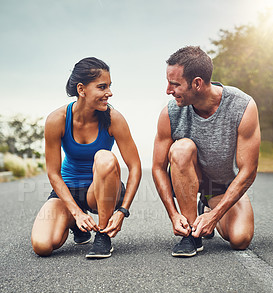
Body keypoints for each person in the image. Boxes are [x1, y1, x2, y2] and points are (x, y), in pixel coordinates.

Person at [152, 46, 260, 257]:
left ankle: (207, 208)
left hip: (221, 187)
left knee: (240, 239)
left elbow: (249, 170)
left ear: (197, 84)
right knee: (181, 148)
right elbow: (157, 167)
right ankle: (191, 234)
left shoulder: (242, 106)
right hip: (189, 179)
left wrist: (216, 215)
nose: (168, 90)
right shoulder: (171, 112)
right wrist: (174, 215)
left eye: (175, 84)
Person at [31, 57, 141, 258]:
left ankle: (102, 235)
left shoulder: (113, 118)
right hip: (69, 191)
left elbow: (135, 167)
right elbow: (53, 173)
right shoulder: (57, 120)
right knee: (42, 245)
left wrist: (122, 211)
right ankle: (77, 225)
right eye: (102, 87)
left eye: (109, 86)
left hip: (101, 191)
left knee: (105, 157)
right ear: (81, 90)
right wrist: (76, 213)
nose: (109, 92)